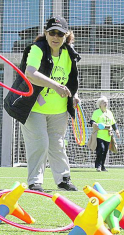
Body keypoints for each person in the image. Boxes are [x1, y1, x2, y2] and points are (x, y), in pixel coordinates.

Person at [4, 16, 81, 192]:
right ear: (46, 33)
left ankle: (63, 179)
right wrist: (55, 86)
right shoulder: (37, 49)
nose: (56, 37)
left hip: (59, 110)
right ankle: (35, 182)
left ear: (66, 36)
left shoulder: (69, 54)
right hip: (33, 107)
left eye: (60, 34)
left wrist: (74, 95)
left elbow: (71, 80)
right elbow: (30, 73)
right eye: (52, 32)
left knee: (58, 143)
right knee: (40, 142)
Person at [90, 96, 120, 172]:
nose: (106, 104)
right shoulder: (97, 112)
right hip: (99, 134)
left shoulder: (109, 113)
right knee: (101, 149)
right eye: (104, 102)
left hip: (108, 135)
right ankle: (98, 165)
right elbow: (92, 121)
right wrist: (94, 124)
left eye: (106, 102)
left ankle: (102, 166)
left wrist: (116, 130)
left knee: (105, 151)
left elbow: (113, 123)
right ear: (100, 104)